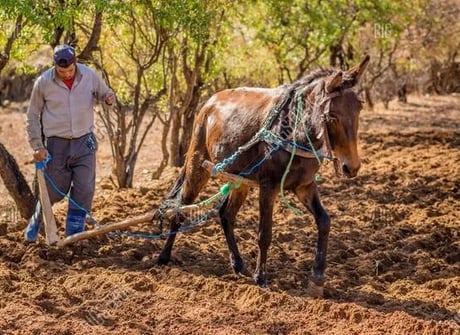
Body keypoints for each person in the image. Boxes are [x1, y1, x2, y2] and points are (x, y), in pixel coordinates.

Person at [25, 44, 115, 241]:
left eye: (70, 70)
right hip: (57, 144)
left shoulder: (89, 75)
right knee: (54, 189)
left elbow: (105, 93)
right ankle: (38, 218)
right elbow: (32, 115)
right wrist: (38, 146)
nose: (66, 74)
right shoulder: (43, 82)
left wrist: (109, 98)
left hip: (85, 142)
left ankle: (73, 235)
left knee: (85, 188)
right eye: (62, 71)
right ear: (55, 66)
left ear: (76, 63)